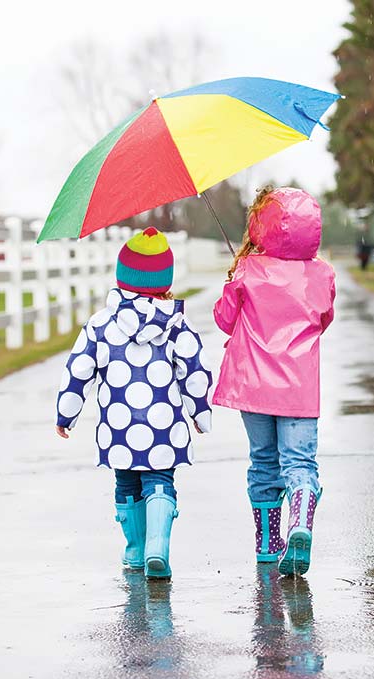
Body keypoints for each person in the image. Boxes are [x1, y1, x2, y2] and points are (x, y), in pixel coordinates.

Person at [55, 227, 213, 579]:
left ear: (122, 277)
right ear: (165, 281)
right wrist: (200, 413)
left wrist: (66, 414)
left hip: (119, 428)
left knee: (126, 484)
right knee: (159, 481)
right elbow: (194, 370)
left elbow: (78, 370)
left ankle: (136, 550)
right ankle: (158, 545)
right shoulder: (176, 324)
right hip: (163, 426)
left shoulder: (100, 324)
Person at [213, 187, 335, 576]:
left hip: (253, 387)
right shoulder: (321, 273)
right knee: (299, 462)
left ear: (259, 227)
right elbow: (323, 319)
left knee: (263, 462)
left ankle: (269, 542)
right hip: (298, 389)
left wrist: (235, 280)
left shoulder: (249, 270)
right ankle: (301, 521)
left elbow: (224, 320)